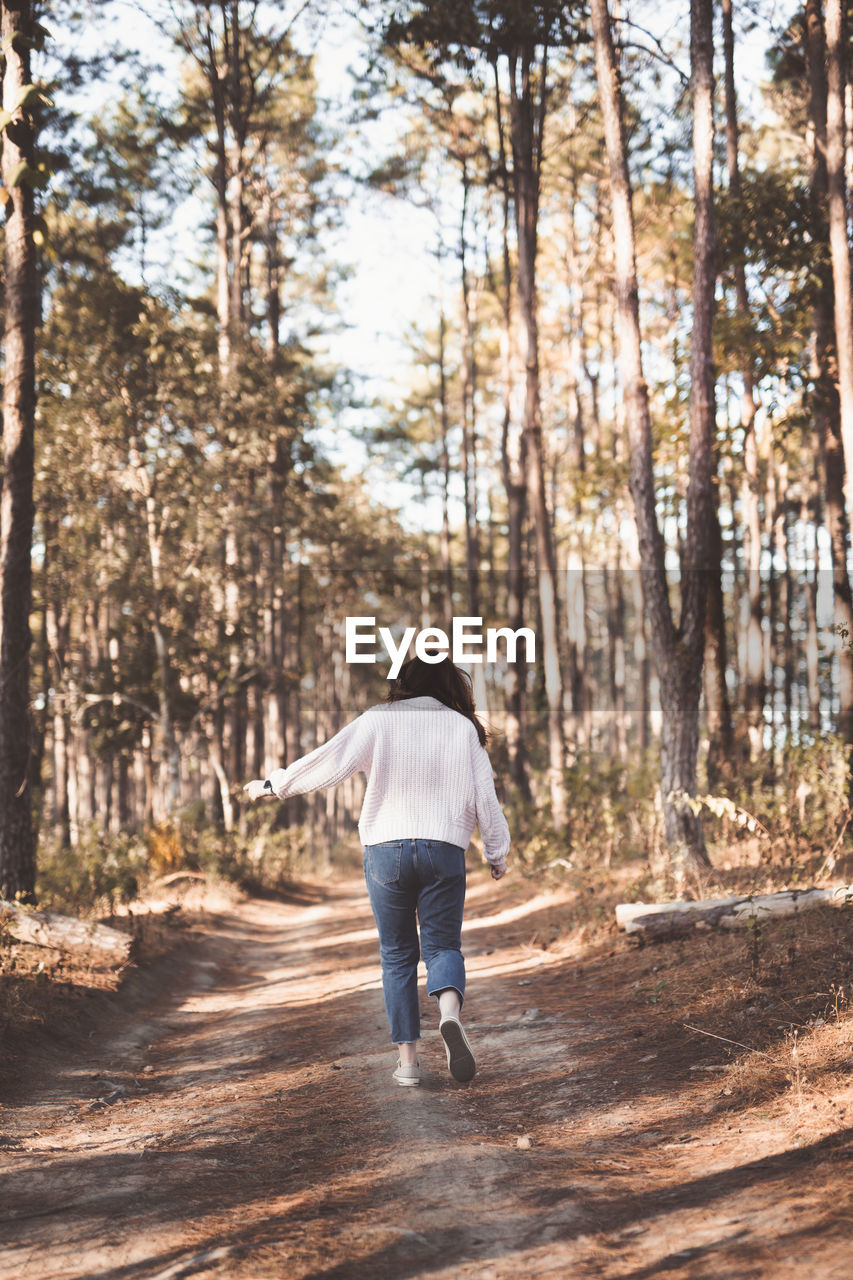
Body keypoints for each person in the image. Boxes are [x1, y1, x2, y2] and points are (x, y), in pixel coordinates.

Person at [243, 653, 510, 1087]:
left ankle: (407, 1063)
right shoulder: (463, 728)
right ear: (449, 683)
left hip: (386, 850)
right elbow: (486, 797)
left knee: (397, 955)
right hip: (443, 848)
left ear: (403, 681)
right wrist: (496, 853)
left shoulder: (378, 719)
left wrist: (275, 785)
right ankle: (448, 1016)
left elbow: (329, 761)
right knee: (442, 947)